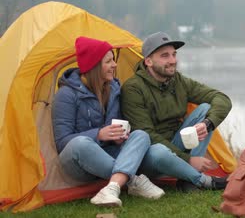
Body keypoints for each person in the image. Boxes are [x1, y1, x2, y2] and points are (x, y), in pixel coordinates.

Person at [52, 36, 164, 207]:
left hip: (109, 153)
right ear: (95, 65)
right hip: (79, 163)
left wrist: (117, 136)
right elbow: (62, 142)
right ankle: (132, 180)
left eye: (113, 60)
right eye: (108, 61)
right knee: (80, 143)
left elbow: (117, 126)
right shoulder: (66, 95)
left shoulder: (113, 89)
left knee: (141, 135)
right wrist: (99, 135)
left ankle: (111, 187)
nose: (115, 65)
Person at [121, 32, 232, 191]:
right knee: (158, 151)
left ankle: (187, 179)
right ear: (148, 61)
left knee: (205, 109)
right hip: (150, 157)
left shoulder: (177, 81)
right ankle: (202, 180)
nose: (173, 61)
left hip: (176, 145)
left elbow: (221, 98)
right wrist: (188, 159)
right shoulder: (133, 88)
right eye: (165, 56)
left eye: (174, 54)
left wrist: (207, 124)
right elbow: (146, 134)